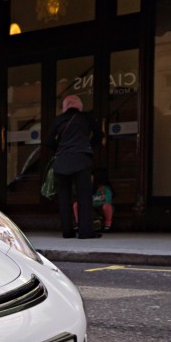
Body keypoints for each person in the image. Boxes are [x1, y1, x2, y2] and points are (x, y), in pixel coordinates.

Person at [46, 95, 102, 239]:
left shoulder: (58, 120)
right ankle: (85, 232)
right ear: (79, 106)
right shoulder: (86, 118)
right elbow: (98, 135)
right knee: (84, 197)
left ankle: (67, 231)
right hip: (82, 159)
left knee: (64, 197)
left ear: (66, 107)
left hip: (62, 161)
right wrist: (88, 147)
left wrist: (59, 150)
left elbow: (48, 140)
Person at [74, 168, 114, 233]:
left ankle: (108, 224)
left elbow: (107, 201)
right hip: (91, 208)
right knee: (76, 204)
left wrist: (94, 201)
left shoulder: (106, 189)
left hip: (100, 209)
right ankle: (79, 223)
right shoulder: (90, 187)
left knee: (106, 206)